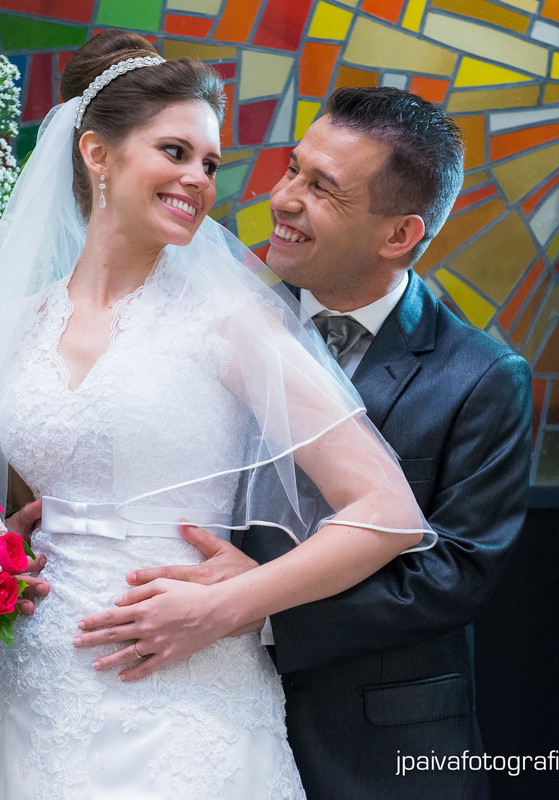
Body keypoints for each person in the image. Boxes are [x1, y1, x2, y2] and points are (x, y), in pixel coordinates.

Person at [0, 32, 433, 799]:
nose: (198, 179)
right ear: (97, 154)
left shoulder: (231, 323)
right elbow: (20, 500)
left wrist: (228, 604)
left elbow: (388, 512)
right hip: (30, 689)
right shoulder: (19, 324)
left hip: (183, 699)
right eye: (175, 152)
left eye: (210, 164)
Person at [77, 87, 533, 798]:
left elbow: (452, 575)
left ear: (398, 235)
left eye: (322, 188)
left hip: (377, 745)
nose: (283, 199)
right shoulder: (213, 324)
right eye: (293, 168)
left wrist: (251, 606)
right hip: (187, 711)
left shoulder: (480, 377)